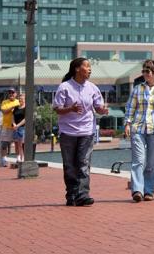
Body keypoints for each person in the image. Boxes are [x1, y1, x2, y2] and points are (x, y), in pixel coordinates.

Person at [52, 57, 108, 207]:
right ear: (77, 69)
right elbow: (57, 109)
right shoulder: (64, 87)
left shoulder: (92, 88)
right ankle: (71, 195)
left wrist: (103, 110)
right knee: (70, 166)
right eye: (87, 66)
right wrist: (70, 109)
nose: (89, 69)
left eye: (90, 67)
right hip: (68, 132)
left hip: (87, 131)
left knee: (84, 164)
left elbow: (98, 107)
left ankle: (83, 195)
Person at [124, 59, 154, 202]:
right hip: (138, 128)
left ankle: (149, 191)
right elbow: (130, 108)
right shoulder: (138, 89)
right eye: (143, 71)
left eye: (147, 71)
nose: (144, 73)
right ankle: (137, 191)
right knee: (138, 160)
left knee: (152, 162)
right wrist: (127, 124)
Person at [0, 88, 20, 167]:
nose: (11, 94)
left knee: (17, 143)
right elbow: (4, 111)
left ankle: (18, 158)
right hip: (6, 126)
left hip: (16, 127)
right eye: (10, 93)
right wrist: (13, 107)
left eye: (13, 92)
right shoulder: (4, 102)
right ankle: (4, 159)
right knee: (4, 144)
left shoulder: (19, 102)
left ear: (16, 94)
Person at [11, 93, 27, 162]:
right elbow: (12, 116)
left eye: (22, 99)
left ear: (25, 100)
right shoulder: (16, 107)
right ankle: (18, 157)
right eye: (19, 99)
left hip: (21, 127)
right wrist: (14, 124)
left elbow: (25, 119)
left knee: (21, 143)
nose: (20, 100)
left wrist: (18, 125)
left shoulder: (26, 108)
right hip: (15, 127)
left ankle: (22, 156)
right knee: (16, 143)